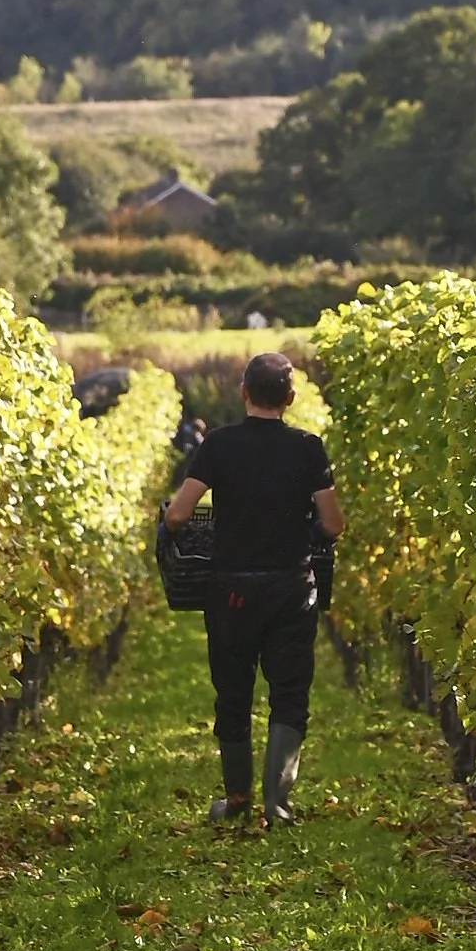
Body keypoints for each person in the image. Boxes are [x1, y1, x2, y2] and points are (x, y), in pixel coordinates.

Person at [163, 351, 343, 827]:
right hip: (290, 587)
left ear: (243, 392)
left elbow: (180, 514)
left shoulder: (219, 446)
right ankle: (277, 804)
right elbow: (333, 522)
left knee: (233, 691)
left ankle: (237, 798)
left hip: (231, 590)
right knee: (289, 693)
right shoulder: (308, 447)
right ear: (290, 397)